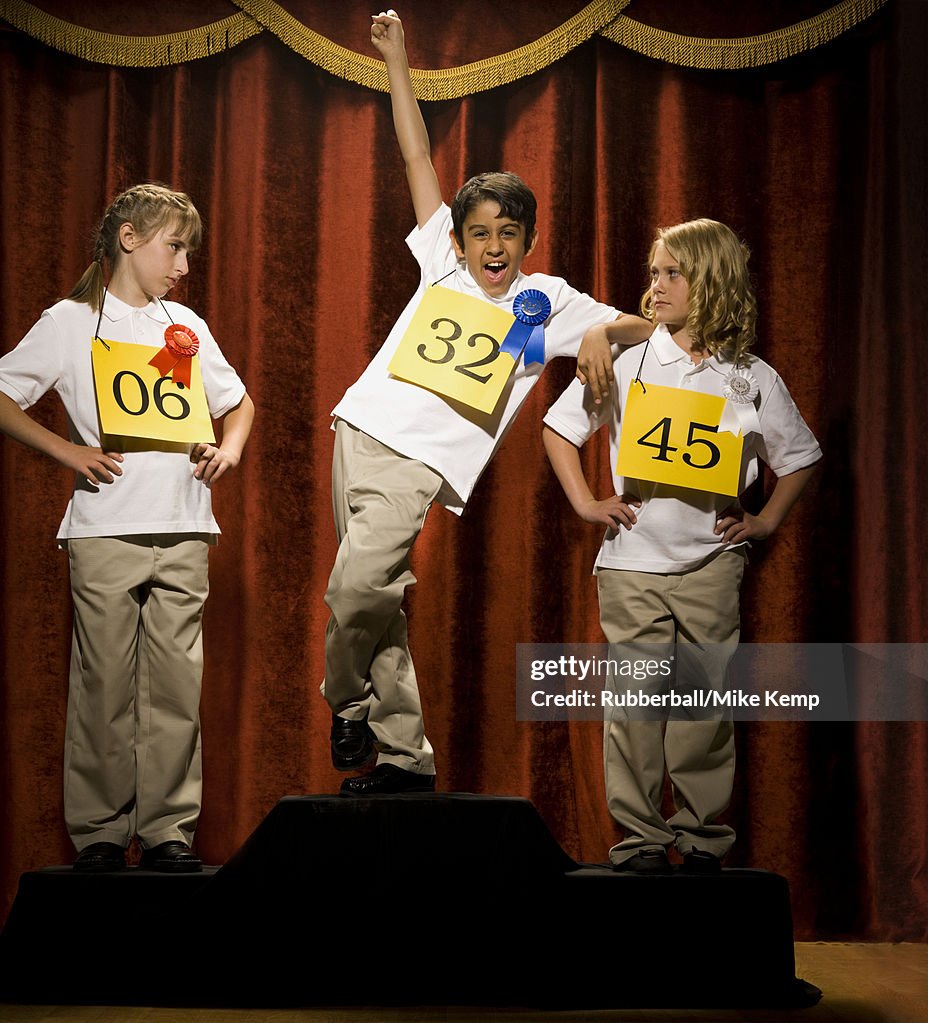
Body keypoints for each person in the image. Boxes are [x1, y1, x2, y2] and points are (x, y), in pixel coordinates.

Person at [322, 9, 653, 796]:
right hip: (359, 429)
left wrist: (607, 335)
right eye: (479, 232)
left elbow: (649, 324)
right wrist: (397, 60)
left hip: (422, 463)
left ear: (528, 240)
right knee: (381, 607)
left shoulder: (549, 298)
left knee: (356, 589)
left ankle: (345, 701)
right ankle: (406, 761)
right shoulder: (439, 261)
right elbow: (412, 152)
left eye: (508, 232)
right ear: (461, 239)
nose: (492, 246)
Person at [0, 183, 254, 872]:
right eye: (174, 247)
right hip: (104, 528)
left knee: (175, 688)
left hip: (186, 524)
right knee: (103, 681)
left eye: (188, 250)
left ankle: (166, 830)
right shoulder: (70, 321)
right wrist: (68, 451)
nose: (183, 265)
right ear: (129, 238)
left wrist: (231, 447)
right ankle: (100, 829)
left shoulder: (182, 325)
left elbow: (239, 402)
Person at [542, 218, 821, 873]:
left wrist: (767, 519)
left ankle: (699, 837)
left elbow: (801, 455)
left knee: (703, 706)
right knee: (634, 708)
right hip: (631, 564)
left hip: (711, 564)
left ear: (711, 280)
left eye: (672, 273)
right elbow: (561, 430)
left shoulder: (749, 377)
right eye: (653, 273)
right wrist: (586, 502)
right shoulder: (631, 361)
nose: (656, 286)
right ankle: (639, 840)